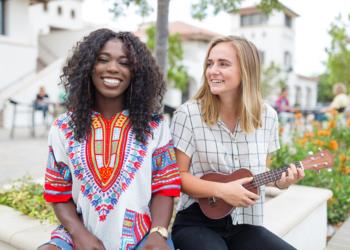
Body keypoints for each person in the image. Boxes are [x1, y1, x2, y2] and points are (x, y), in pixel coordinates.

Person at [39, 29, 181, 250]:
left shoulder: (155, 126)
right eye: (102, 60)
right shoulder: (63, 127)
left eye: (124, 62)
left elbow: (165, 187)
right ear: (87, 67)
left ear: (136, 72)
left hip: (142, 234)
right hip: (80, 232)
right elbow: (58, 191)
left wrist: (158, 232)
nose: (113, 68)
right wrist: (80, 235)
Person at [170, 36, 304, 250]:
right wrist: (222, 191)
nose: (213, 70)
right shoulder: (188, 114)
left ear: (246, 70)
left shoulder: (268, 116)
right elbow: (178, 177)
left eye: (223, 64)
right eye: (209, 63)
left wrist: (280, 182)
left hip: (245, 225)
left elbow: (259, 173)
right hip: (196, 223)